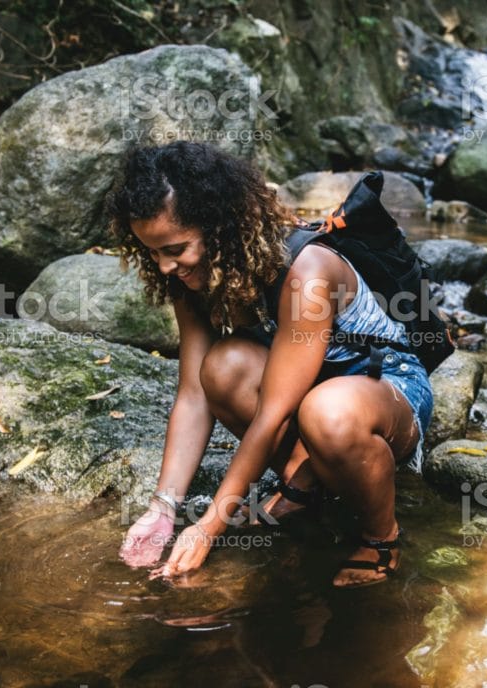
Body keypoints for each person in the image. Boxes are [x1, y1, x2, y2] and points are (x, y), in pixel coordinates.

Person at [109, 141, 434, 588]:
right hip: (309, 395)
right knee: (222, 367)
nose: (164, 266)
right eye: (152, 252)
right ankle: (305, 487)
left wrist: (209, 524)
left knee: (328, 412)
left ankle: (382, 539)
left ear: (219, 228)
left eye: (175, 248)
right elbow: (193, 396)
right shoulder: (193, 278)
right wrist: (162, 508)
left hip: (382, 390)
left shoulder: (307, 272)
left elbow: (273, 413)